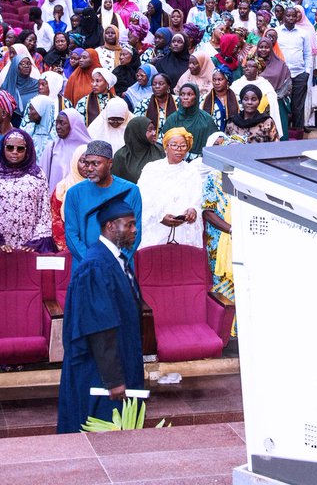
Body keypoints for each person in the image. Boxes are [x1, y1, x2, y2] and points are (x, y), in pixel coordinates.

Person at [56, 198, 144, 434]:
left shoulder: (114, 260)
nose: (135, 230)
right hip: (100, 372)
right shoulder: (96, 266)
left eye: (135, 224)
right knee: (102, 436)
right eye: (129, 224)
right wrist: (114, 380)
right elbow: (100, 328)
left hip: (116, 362)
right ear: (111, 226)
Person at [63, 140, 142, 266]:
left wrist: (117, 261)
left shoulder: (131, 191)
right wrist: (92, 261)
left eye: (96, 163)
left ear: (110, 163)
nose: (90, 169)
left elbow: (135, 233)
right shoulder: (74, 193)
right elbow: (71, 235)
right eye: (87, 163)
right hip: (86, 266)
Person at [0, 128, 53, 251]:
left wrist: (35, 242)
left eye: (20, 149)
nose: (15, 152)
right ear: (3, 148)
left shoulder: (37, 175)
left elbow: (44, 211)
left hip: (28, 245)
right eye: (10, 148)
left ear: (27, 150)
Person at [138, 127, 205, 248]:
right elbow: (143, 199)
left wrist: (193, 210)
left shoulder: (192, 171)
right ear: (166, 147)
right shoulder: (152, 169)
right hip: (157, 227)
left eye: (183, 146)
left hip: (183, 230)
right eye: (174, 145)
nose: (179, 149)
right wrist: (160, 217)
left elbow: (197, 199)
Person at [111, 116, 163, 184]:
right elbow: (115, 182)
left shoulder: (160, 151)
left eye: (154, 129)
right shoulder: (121, 156)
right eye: (150, 130)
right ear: (138, 132)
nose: (154, 133)